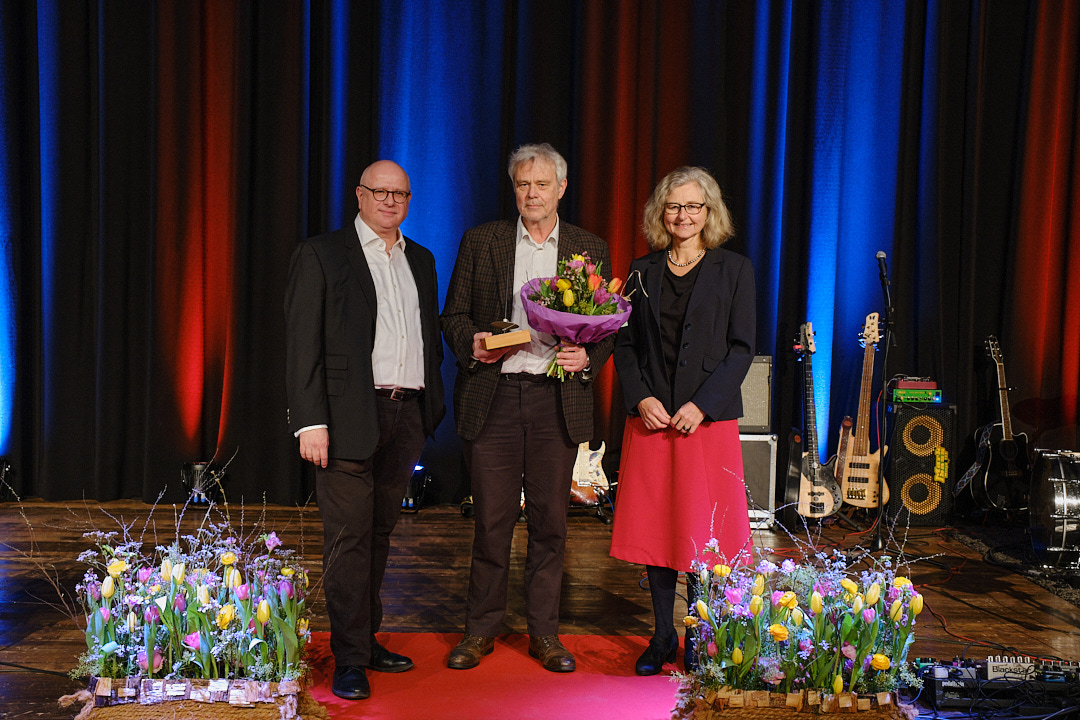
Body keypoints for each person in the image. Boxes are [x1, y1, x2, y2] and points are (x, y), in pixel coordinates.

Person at [441, 143, 613, 673]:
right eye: (522, 184)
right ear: (513, 188)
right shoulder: (482, 240)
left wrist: (587, 354)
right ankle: (480, 630)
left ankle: (544, 634)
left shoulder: (588, 247)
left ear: (561, 188)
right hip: (494, 397)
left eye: (542, 184)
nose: (531, 193)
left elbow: (606, 326)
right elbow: (454, 316)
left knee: (550, 526)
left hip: (554, 401)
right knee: (491, 523)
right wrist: (475, 343)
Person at [284, 160, 445, 700]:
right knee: (348, 538)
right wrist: (311, 421)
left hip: (407, 414)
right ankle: (348, 657)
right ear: (359, 194)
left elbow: (423, 336)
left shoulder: (419, 258)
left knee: (379, 535)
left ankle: (366, 639)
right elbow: (302, 344)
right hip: (349, 416)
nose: (390, 201)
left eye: (400, 193)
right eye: (380, 192)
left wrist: (428, 407)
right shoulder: (322, 254)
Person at [609, 166, 756, 676]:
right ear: (660, 213)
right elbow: (623, 344)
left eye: (693, 206)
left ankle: (700, 635)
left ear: (709, 212)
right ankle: (661, 635)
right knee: (658, 529)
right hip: (652, 421)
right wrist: (641, 396)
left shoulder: (734, 270)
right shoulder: (640, 270)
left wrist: (703, 404)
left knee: (702, 532)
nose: (683, 215)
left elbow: (742, 349)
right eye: (674, 206)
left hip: (705, 424)